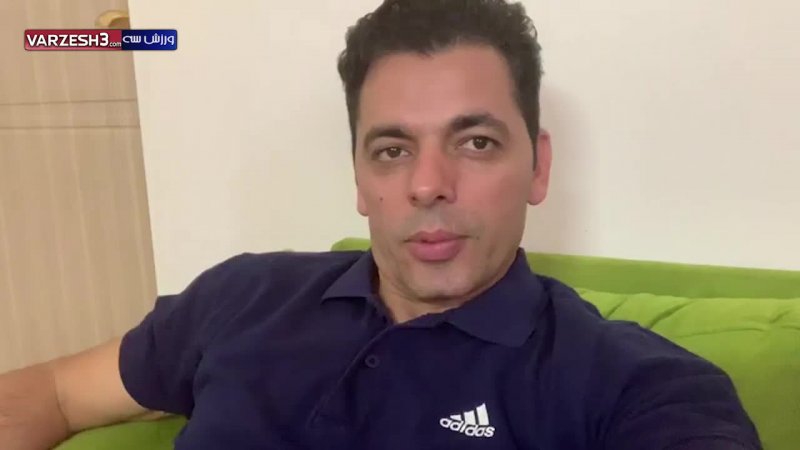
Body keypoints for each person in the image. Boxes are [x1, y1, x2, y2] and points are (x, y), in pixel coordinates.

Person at [0, 0, 762, 449]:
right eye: (393, 150)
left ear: (538, 167)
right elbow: (56, 393)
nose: (428, 184)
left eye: (476, 142)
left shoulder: (638, 388)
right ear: (361, 178)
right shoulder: (244, 296)